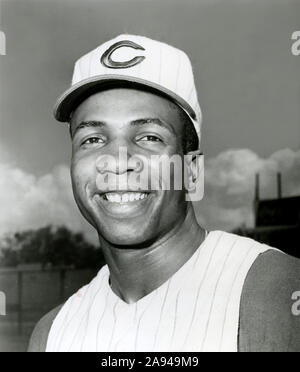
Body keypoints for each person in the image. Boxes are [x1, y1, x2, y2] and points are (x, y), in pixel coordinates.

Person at [28, 34, 300, 352]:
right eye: (93, 139)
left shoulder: (277, 293)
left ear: (192, 172)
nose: (117, 162)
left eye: (148, 137)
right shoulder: (52, 334)